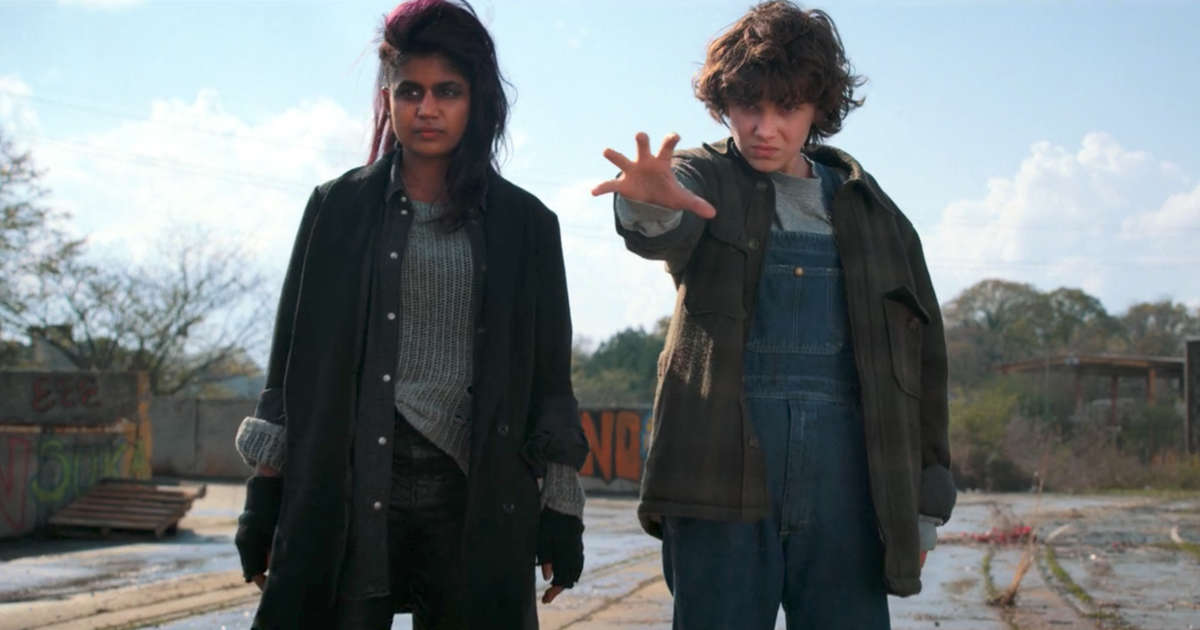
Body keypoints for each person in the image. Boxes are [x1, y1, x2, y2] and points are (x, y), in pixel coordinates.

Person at [591, 2, 956, 628]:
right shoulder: (704, 177)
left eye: (786, 108)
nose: (764, 128)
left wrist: (925, 500)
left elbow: (924, 363)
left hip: (850, 487)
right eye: (748, 106)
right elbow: (663, 222)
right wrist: (646, 204)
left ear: (818, 107)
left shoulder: (876, 214)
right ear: (722, 104)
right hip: (716, 478)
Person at [232, 2, 589, 628]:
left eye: (447, 91)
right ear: (388, 99)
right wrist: (263, 499)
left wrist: (561, 509)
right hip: (351, 483)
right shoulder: (336, 208)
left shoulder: (527, 225)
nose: (427, 109)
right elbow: (291, 364)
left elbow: (549, 380)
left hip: (474, 491)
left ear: (476, 101)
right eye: (410, 91)